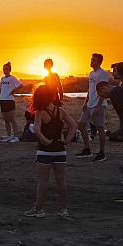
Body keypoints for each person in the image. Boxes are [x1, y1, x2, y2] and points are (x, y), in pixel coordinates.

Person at [24, 85, 77, 218]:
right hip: (60, 150)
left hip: (45, 151)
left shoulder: (40, 113)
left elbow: (36, 129)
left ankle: (39, 209)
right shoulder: (61, 111)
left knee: (43, 181)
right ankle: (64, 209)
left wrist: (44, 140)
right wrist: (68, 139)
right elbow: (73, 125)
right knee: (61, 181)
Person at [76, 53, 109, 162]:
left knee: (100, 127)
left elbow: (104, 90)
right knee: (81, 124)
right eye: (91, 59)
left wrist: (98, 106)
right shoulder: (91, 74)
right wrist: (85, 102)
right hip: (89, 104)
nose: (91, 61)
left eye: (93, 60)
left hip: (98, 105)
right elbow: (90, 90)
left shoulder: (103, 73)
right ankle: (87, 149)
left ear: (99, 62)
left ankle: (102, 153)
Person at [0, 62, 22, 143]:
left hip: (10, 101)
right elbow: (1, 88)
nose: (4, 70)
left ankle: (16, 136)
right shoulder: (2, 79)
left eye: (6, 69)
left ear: (9, 70)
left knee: (12, 119)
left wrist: (13, 90)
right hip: (2, 100)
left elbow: (20, 85)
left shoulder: (12, 78)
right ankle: (9, 135)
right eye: (3, 69)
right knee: (6, 120)